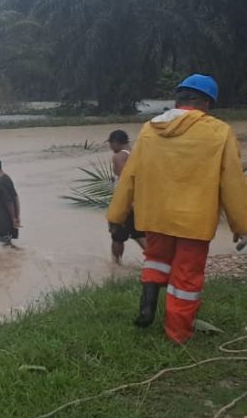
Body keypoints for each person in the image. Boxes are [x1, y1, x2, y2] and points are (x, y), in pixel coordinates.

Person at [107, 74, 247, 342]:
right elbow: (233, 183)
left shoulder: (150, 129)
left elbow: (130, 177)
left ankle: (148, 305)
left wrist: (116, 215)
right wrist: (242, 226)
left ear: (179, 99)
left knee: (157, 260)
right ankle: (177, 333)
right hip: (194, 221)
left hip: (156, 216)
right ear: (206, 102)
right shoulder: (219, 132)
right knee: (185, 278)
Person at [106, 129, 146, 264]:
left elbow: (125, 181)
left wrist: (125, 204)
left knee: (116, 236)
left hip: (123, 202)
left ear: (116, 142)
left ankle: (116, 266)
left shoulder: (119, 157)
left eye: (110, 144)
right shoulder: (136, 153)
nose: (110, 147)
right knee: (139, 234)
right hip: (139, 201)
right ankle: (156, 261)